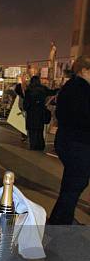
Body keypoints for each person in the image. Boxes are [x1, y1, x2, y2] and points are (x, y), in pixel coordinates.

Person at [49, 55, 90, 225]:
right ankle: (60, 222)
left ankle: (60, 219)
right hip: (79, 143)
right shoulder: (82, 90)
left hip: (69, 141)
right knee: (74, 185)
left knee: (72, 184)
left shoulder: (70, 87)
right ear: (85, 70)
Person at [23, 75, 56, 150]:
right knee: (40, 130)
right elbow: (52, 92)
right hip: (40, 112)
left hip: (31, 113)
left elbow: (26, 104)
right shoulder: (43, 89)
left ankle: (33, 146)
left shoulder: (29, 90)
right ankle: (40, 145)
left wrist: (27, 108)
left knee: (32, 131)